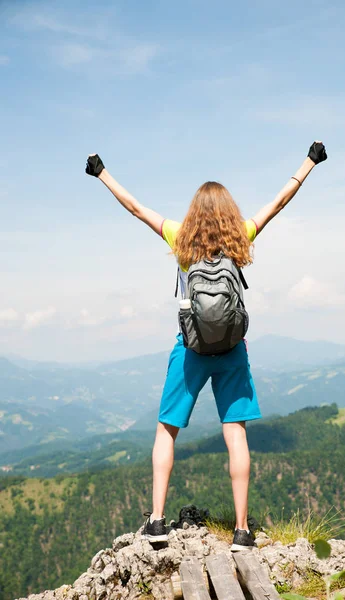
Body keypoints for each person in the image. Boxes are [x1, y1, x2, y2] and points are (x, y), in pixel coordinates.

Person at [85, 141, 327, 550]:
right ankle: (241, 530)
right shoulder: (240, 239)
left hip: (190, 349)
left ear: (194, 213)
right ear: (229, 213)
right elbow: (279, 202)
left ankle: (158, 522)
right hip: (232, 349)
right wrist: (309, 163)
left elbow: (136, 208)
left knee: (167, 430)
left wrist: (102, 173)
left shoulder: (181, 240)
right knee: (236, 434)